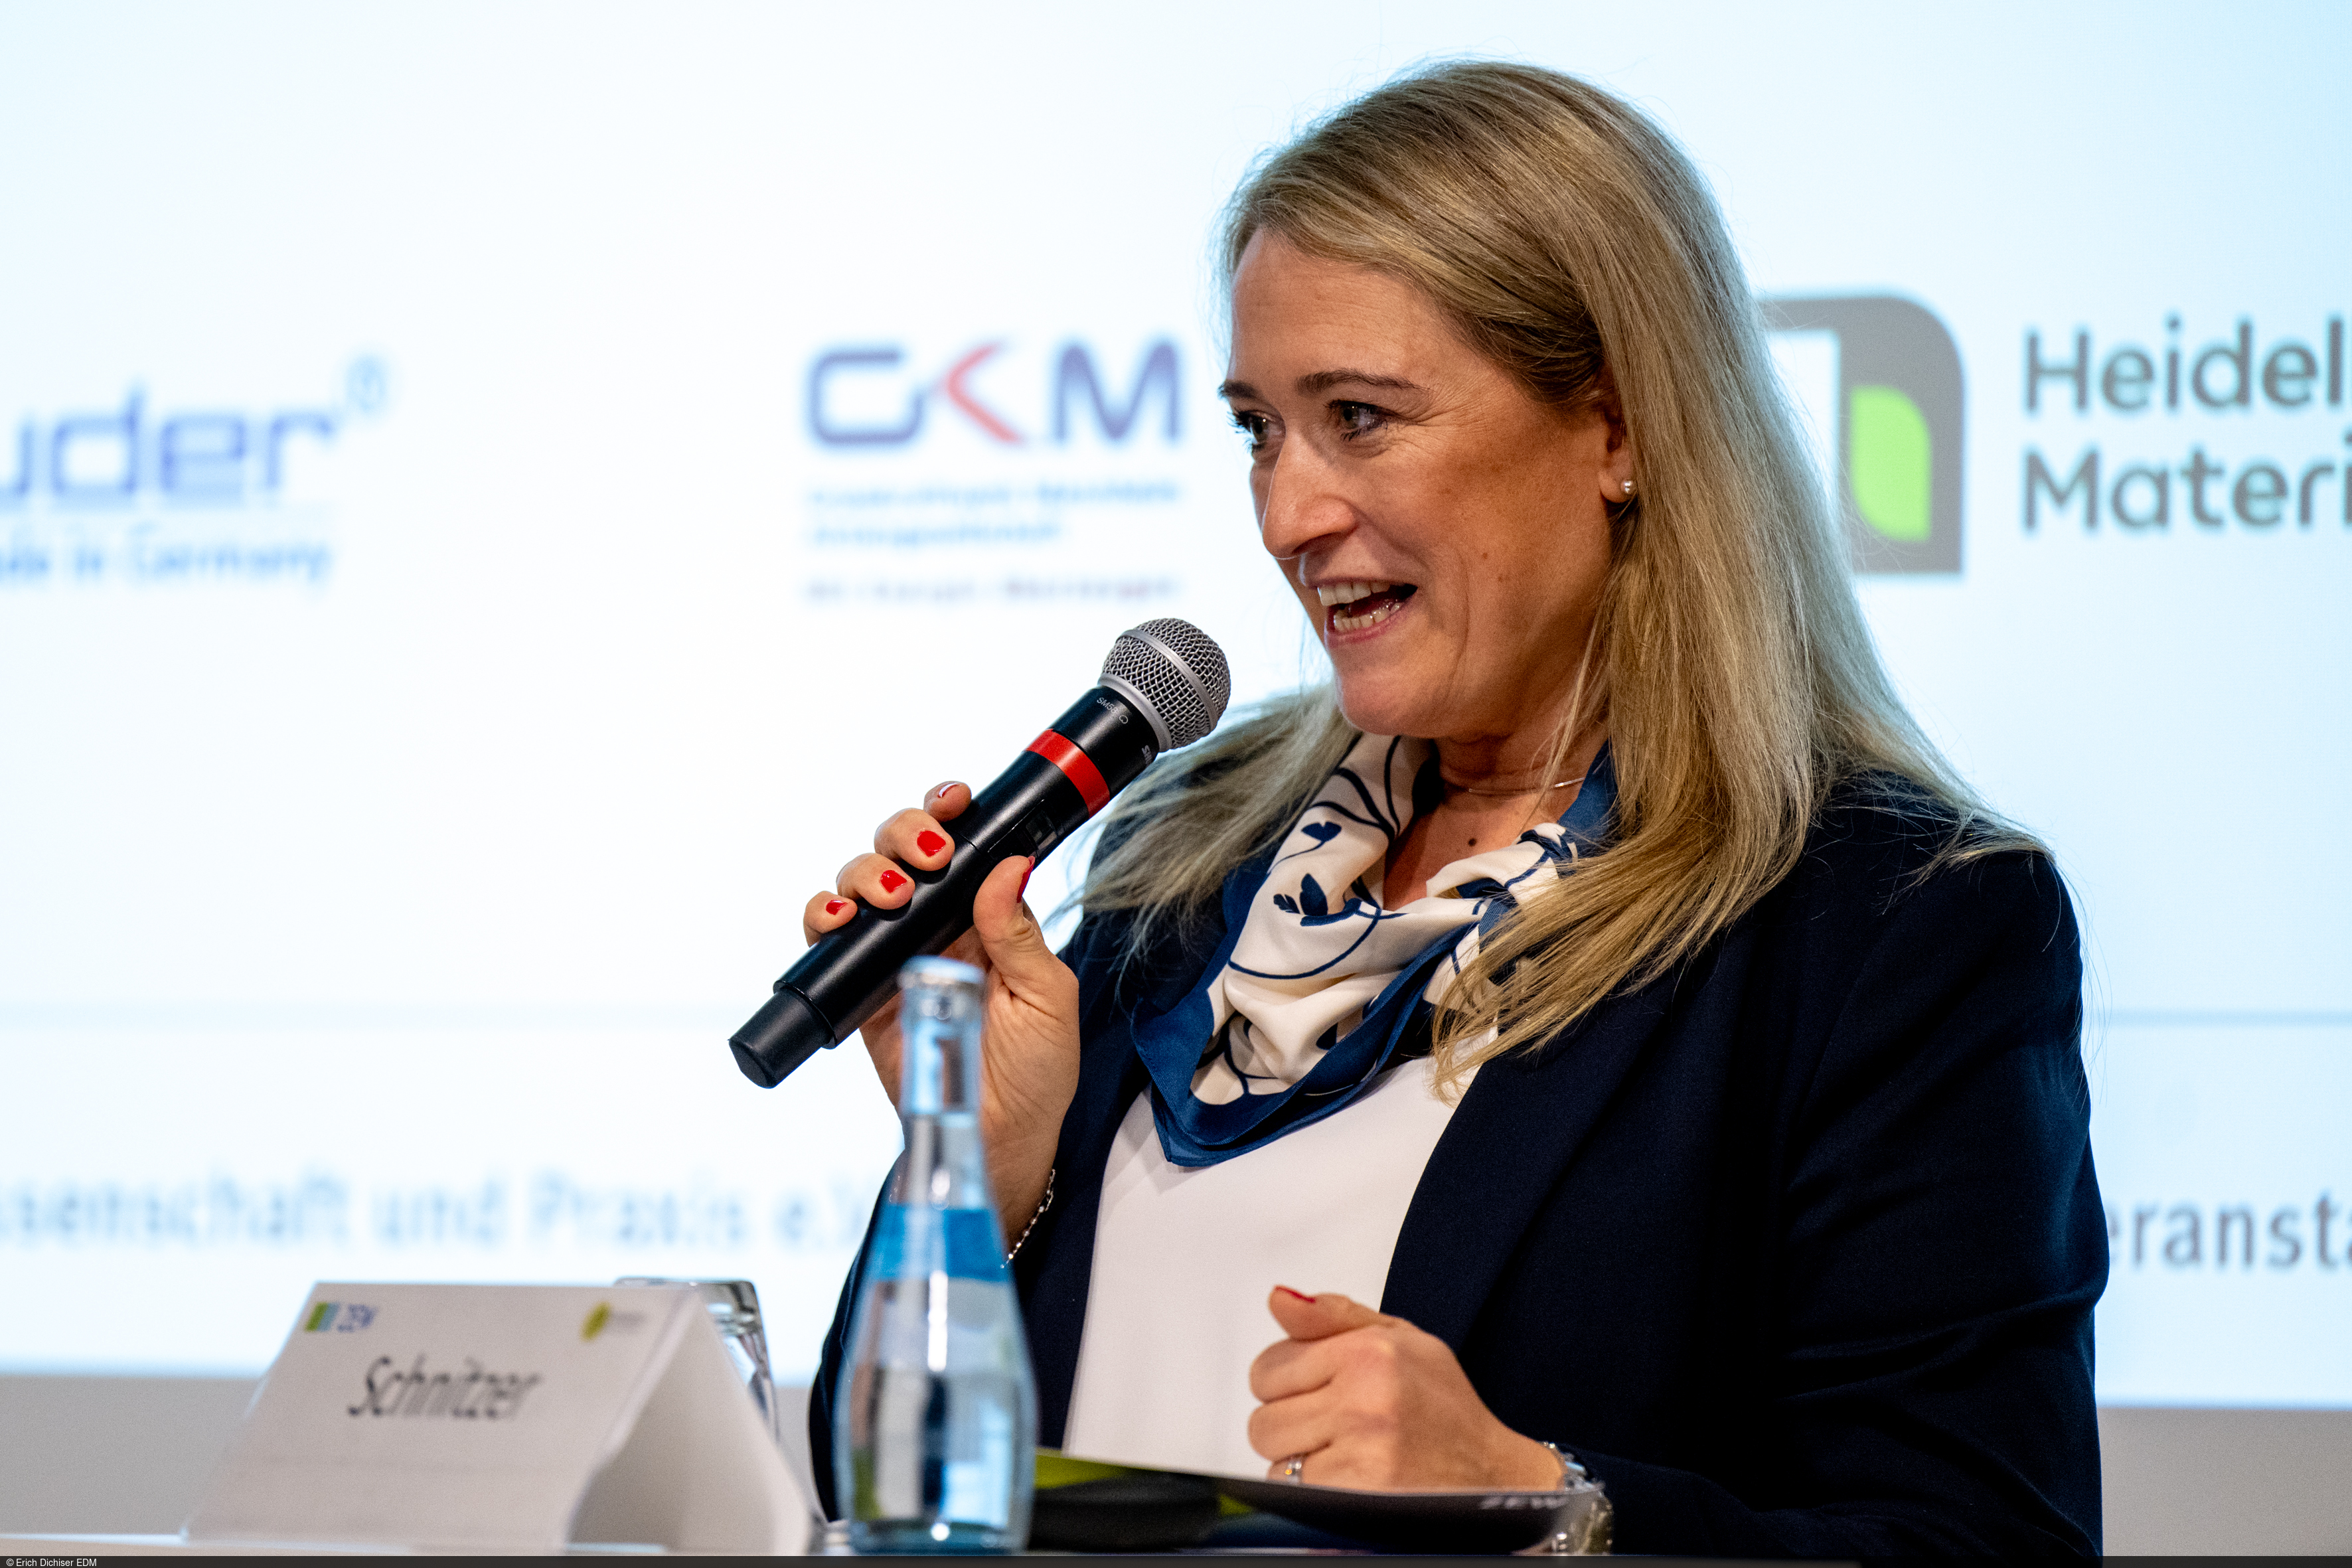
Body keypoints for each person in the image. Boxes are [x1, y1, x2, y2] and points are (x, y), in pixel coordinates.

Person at [803, 61, 2105, 1559]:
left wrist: (1546, 1506)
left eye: (1359, 416)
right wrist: (985, 1172)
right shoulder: (1185, 854)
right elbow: (878, 1491)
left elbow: (1979, 1540)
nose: (1288, 514)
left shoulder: (1889, 926)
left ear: (1615, 426)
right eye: (1259, 429)